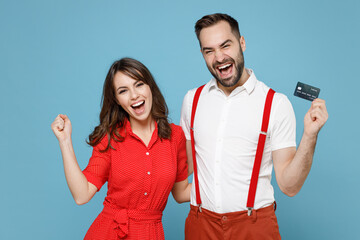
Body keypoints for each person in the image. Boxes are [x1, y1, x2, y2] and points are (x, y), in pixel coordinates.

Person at [180, 13, 328, 239]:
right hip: (201, 224)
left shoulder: (275, 104)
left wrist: (310, 135)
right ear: (202, 54)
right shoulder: (193, 100)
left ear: (242, 43)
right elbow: (185, 168)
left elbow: (289, 186)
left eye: (225, 45)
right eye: (209, 50)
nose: (219, 57)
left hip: (254, 227)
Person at [51, 58, 191, 240]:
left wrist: (230, 187)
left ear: (150, 88)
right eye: (123, 91)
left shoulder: (175, 136)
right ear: (117, 100)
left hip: (151, 234)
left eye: (139, 85)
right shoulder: (110, 138)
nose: (134, 95)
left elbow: (181, 193)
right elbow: (81, 194)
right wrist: (64, 141)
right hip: (110, 232)